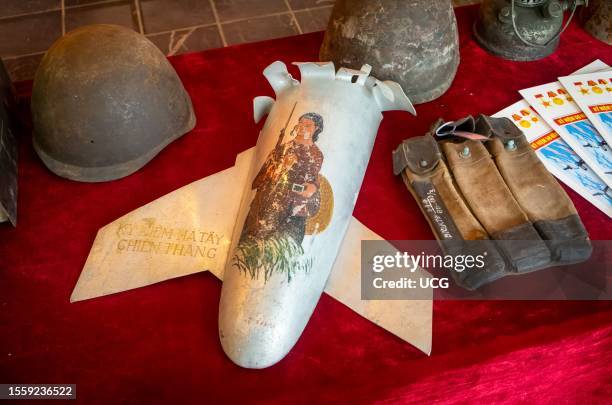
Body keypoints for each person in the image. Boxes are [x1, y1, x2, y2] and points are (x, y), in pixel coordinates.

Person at [243, 112, 325, 245]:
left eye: (308, 125)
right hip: (267, 202)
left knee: (280, 246)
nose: (302, 127)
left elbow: (309, 185)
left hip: (292, 208)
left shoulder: (315, 155)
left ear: (316, 129)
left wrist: (303, 187)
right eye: (300, 123)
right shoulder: (284, 147)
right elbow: (267, 174)